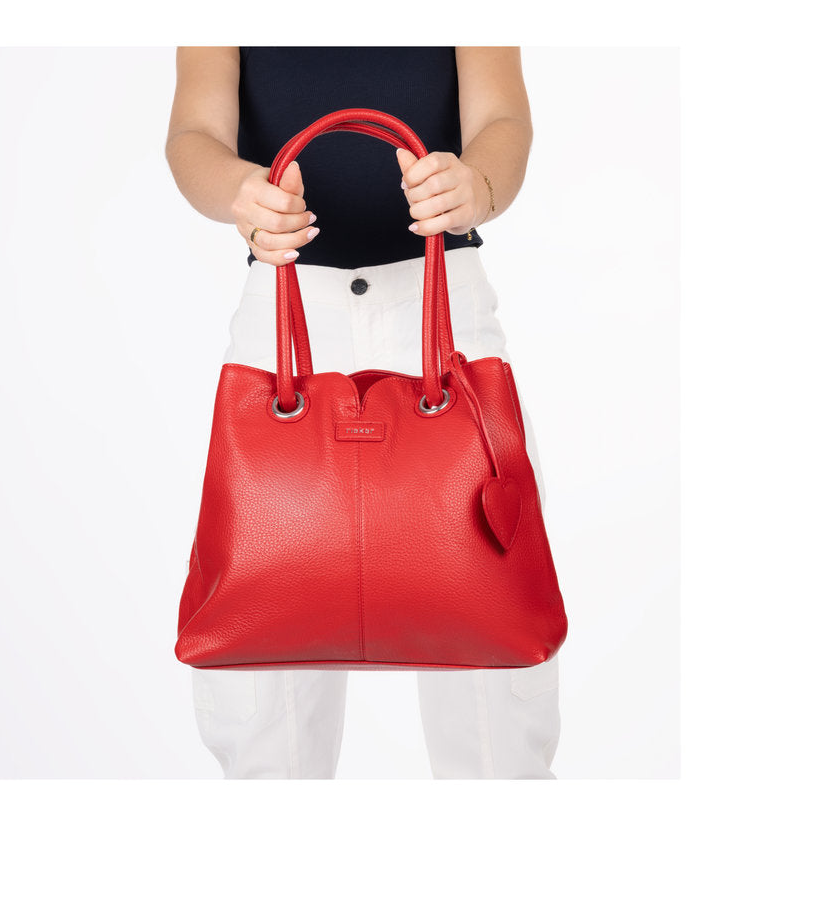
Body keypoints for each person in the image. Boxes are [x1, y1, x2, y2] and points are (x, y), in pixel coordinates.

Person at [165, 46, 561, 779]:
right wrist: (241, 193)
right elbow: (194, 132)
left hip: (442, 309)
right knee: (264, 714)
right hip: (287, 308)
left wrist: (477, 185)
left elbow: (503, 116)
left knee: (495, 699)